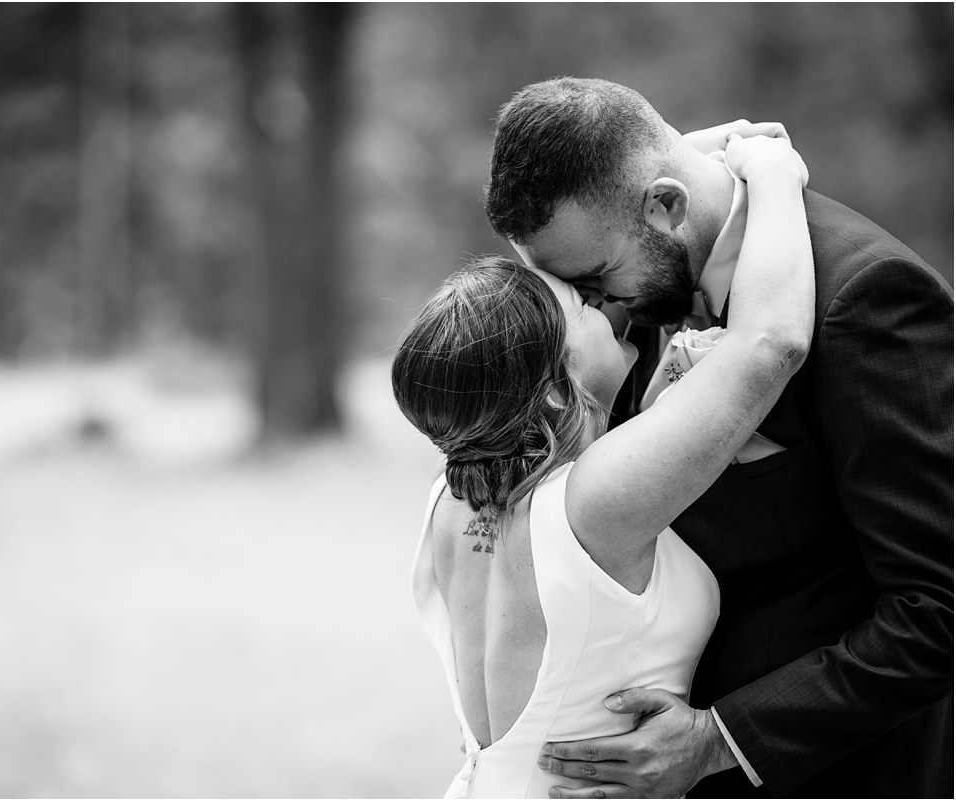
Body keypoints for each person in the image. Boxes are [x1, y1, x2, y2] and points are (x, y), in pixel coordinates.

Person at [485, 77, 953, 798]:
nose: (597, 312)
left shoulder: (863, 297)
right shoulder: (632, 276)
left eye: (596, 283)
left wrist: (719, 739)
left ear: (668, 205)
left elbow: (938, 612)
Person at [393, 134, 813, 798]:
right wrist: (773, 172)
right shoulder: (596, 505)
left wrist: (652, 408)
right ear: (558, 388)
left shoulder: (454, 493)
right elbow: (772, 343)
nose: (607, 302)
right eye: (583, 307)